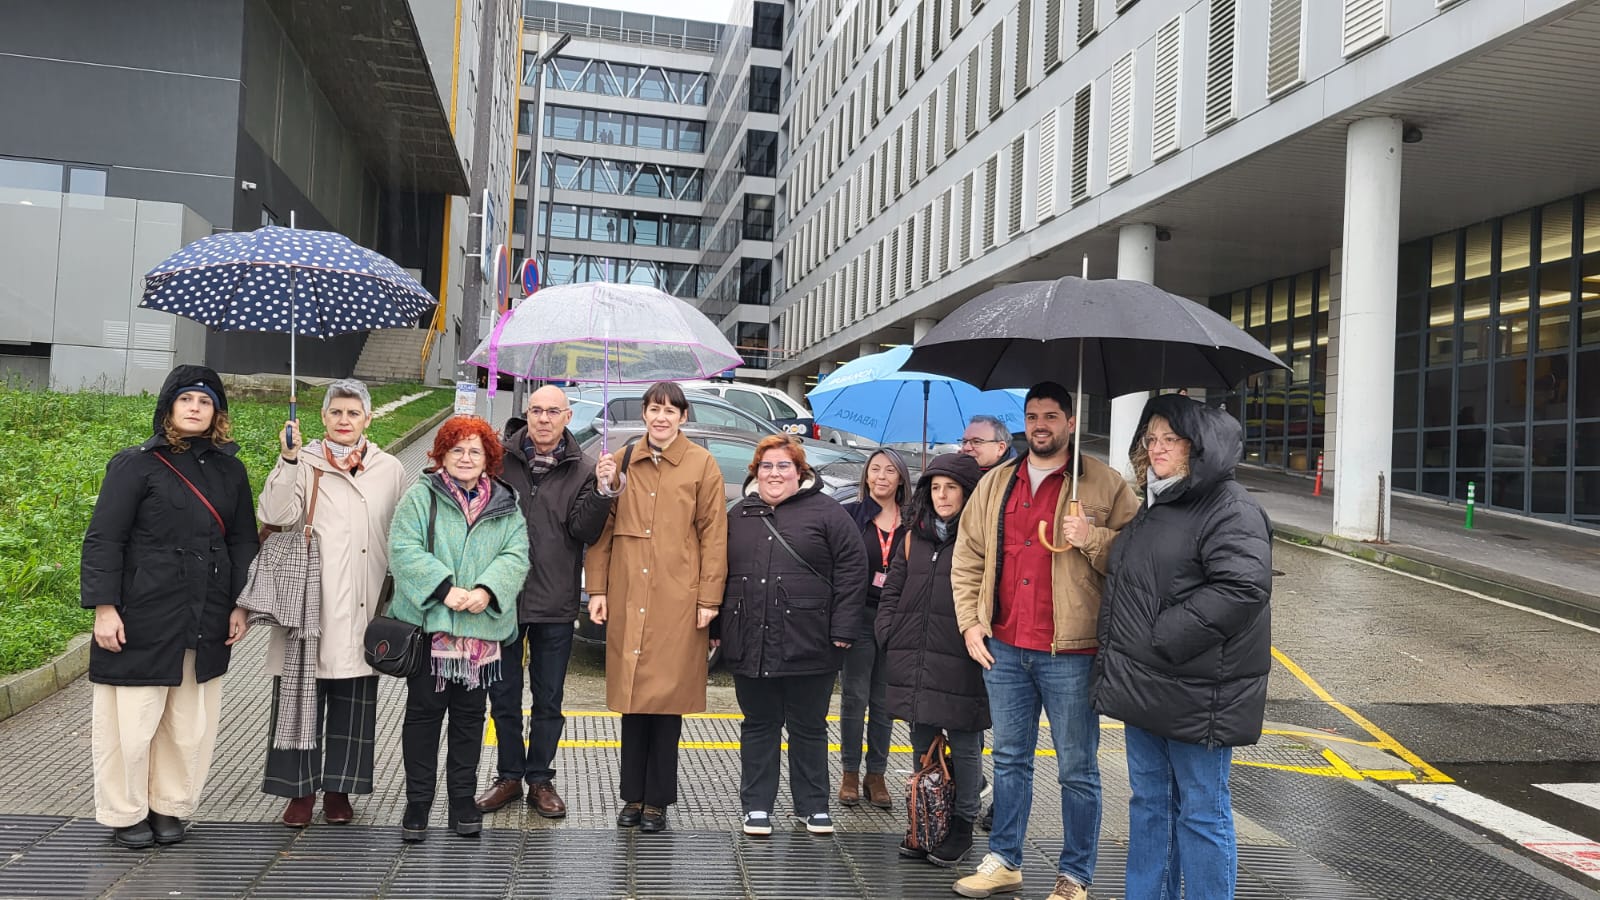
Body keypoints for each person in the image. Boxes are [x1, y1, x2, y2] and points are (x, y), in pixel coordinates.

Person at [950, 381, 1141, 900]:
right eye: (1033, 416)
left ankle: (1075, 875)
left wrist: (1091, 538)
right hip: (1005, 646)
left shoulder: (1104, 484)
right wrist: (971, 622)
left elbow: (1137, 558)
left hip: (1071, 653)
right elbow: (968, 555)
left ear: (1071, 423)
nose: (1040, 425)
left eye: (1051, 416)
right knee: (1010, 760)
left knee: (1077, 769)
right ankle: (1005, 860)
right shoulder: (997, 482)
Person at [1094, 395, 1272, 900]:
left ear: (1198, 445)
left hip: (1198, 691)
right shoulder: (1156, 504)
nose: (1157, 448)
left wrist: (1166, 635)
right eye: (1151, 439)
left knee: (1201, 811)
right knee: (1149, 804)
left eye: (1170, 439)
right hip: (1146, 685)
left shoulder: (1230, 507)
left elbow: (1243, 587)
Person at [81, 365, 258, 849]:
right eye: (186, 400)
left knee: (187, 723)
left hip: (206, 610)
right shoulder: (134, 464)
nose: (195, 408)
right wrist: (103, 607)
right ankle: (125, 811)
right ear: (169, 407)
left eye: (205, 401)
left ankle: (168, 805)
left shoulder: (231, 470)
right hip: (142, 611)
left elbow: (243, 541)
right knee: (131, 722)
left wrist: (241, 604)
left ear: (217, 413)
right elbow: (104, 539)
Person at [256, 379, 408, 828]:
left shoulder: (389, 468)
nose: (344, 420)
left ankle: (340, 789)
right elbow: (275, 515)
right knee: (298, 697)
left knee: (354, 697)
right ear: (323, 417)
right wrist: (287, 460)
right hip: (309, 600)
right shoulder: (302, 461)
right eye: (336, 412)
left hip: (365, 600)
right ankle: (299, 791)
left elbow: (402, 533)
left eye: (353, 413)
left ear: (368, 418)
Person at [586, 381, 728, 834]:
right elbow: (602, 531)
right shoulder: (622, 460)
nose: (661, 417)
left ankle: (658, 801)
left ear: (683, 417)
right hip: (629, 594)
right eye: (654, 409)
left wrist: (709, 599)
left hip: (677, 597)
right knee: (633, 701)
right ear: (644, 414)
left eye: (670, 410)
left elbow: (714, 535)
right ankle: (632, 796)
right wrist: (598, 590)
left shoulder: (702, 464)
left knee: (667, 703)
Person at [477, 385, 618, 817]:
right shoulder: (498, 460)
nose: (543, 418)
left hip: (554, 599)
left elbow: (584, 531)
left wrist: (603, 491)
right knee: (503, 695)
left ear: (567, 417)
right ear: (527, 413)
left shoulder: (585, 468)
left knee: (549, 698)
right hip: (502, 597)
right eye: (536, 410)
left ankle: (540, 779)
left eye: (553, 411)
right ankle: (508, 776)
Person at [387, 416, 529, 842]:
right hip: (431, 629)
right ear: (441, 455)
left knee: (470, 719)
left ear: (488, 458)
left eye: (475, 451)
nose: (466, 458)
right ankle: (418, 803)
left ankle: (463, 801)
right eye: (457, 450)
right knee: (423, 717)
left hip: (480, 633)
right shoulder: (421, 495)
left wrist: (488, 589)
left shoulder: (505, 502)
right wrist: (443, 589)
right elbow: (402, 548)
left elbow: (516, 553)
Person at [722, 435, 869, 836]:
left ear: (800, 472)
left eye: (783, 466)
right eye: (766, 466)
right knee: (759, 723)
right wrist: (719, 629)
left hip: (811, 639)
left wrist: (844, 628)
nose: (774, 473)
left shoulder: (828, 512)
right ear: (755, 472)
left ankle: (813, 805)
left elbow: (853, 569)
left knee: (809, 725)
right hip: (750, 637)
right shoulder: (739, 514)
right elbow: (718, 573)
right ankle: (756, 806)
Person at [876, 453, 987, 867]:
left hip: (961, 654)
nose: (942, 496)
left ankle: (962, 825)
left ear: (968, 493)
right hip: (914, 653)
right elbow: (893, 588)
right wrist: (888, 630)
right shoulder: (913, 536)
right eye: (935, 487)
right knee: (922, 742)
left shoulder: (980, 537)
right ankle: (926, 821)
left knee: (965, 743)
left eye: (951, 488)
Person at [836, 447, 909, 809]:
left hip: (895, 620)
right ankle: (850, 772)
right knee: (854, 697)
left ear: (901, 479)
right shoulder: (852, 516)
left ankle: (875, 774)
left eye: (890, 471)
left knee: (884, 701)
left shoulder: (914, 523)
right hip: (859, 617)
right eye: (875, 469)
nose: (881, 476)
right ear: (866, 475)